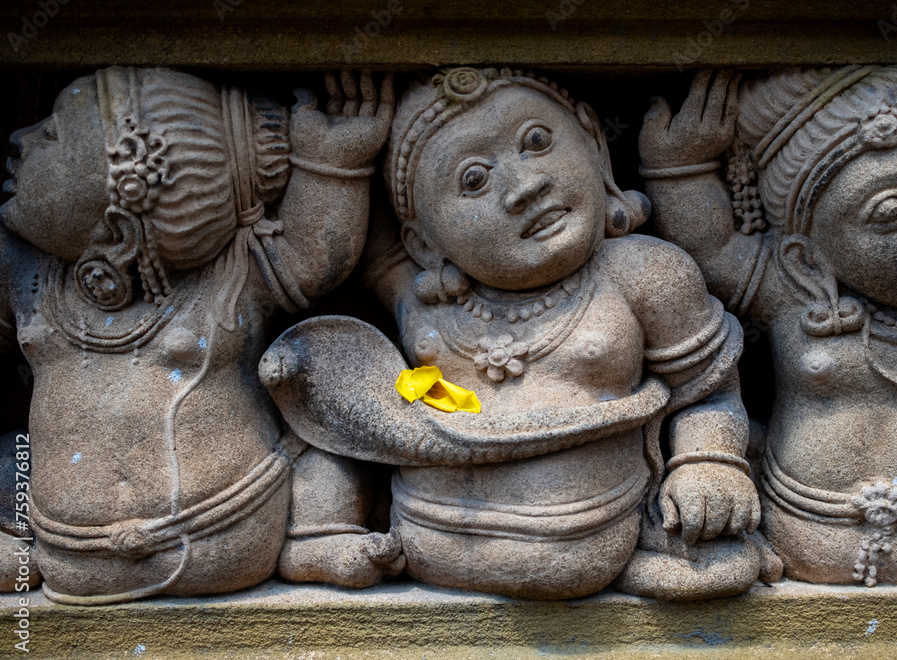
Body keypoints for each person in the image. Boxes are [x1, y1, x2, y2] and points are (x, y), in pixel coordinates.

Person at [264, 67, 769, 600]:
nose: (525, 187)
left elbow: (709, 392)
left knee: (725, 570)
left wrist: (708, 463)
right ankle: (318, 538)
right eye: (474, 179)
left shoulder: (641, 273)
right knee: (335, 412)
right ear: (426, 243)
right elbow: (342, 253)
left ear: (597, 149)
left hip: (590, 533)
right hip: (420, 537)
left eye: (537, 141)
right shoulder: (426, 300)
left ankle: (626, 560)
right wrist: (335, 164)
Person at [0, 67, 401, 603]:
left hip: (229, 526)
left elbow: (311, 256)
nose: (20, 138)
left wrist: (332, 160)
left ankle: (316, 536)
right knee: (11, 457)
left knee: (326, 446)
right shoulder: (26, 275)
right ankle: (15, 541)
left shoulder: (229, 277)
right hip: (70, 551)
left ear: (122, 213)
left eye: (49, 135)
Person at [642, 65, 897, 586]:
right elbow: (712, 251)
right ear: (809, 260)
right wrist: (680, 167)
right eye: (889, 209)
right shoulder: (797, 296)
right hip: (802, 540)